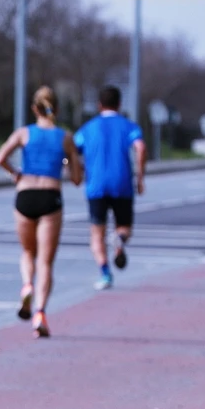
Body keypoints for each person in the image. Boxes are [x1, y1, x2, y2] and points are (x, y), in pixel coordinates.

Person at [0, 86, 83, 338]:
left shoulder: (24, 133)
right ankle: (40, 313)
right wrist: (67, 161)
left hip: (25, 194)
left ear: (35, 108)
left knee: (27, 252)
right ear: (56, 108)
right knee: (45, 261)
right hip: (50, 196)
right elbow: (77, 179)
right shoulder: (66, 137)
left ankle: (26, 287)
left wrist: (16, 174)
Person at [73, 86, 147, 290]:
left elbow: (70, 150)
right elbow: (140, 147)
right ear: (119, 104)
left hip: (95, 184)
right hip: (122, 183)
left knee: (97, 234)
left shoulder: (88, 128)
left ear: (99, 105)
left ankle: (105, 273)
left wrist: (74, 167)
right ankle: (119, 239)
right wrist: (140, 177)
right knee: (124, 227)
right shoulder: (129, 126)